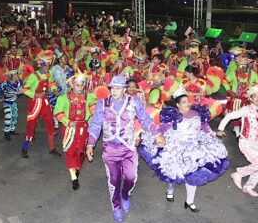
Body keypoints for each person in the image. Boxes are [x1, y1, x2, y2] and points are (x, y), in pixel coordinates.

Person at [86, 76, 166, 222]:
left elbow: (145, 119)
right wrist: (90, 144)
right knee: (114, 180)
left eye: (117, 88)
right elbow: (96, 124)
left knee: (131, 178)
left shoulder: (134, 102)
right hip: (110, 148)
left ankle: (124, 195)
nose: (114, 91)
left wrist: (157, 134)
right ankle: (116, 207)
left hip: (128, 147)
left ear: (124, 89)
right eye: (112, 88)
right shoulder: (102, 104)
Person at [140, 87, 229, 212]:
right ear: (177, 105)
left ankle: (190, 201)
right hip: (177, 147)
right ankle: (170, 190)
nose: (188, 104)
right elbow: (160, 129)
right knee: (172, 173)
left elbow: (205, 128)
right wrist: (157, 137)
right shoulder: (173, 117)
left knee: (193, 175)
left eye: (188, 101)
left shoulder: (196, 114)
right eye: (184, 102)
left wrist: (215, 134)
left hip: (194, 148)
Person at [217, 85, 258, 197]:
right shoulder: (246, 110)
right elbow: (230, 116)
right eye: (255, 95)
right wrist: (220, 128)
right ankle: (238, 174)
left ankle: (249, 187)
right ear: (250, 98)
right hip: (245, 142)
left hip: (255, 142)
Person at [54, 73, 95, 190]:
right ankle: (73, 178)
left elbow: (94, 111)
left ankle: (76, 168)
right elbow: (58, 112)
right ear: (72, 85)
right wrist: (67, 121)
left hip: (83, 128)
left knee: (81, 151)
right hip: (70, 129)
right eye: (77, 85)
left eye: (82, 85)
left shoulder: (89, 97)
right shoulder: (64, 98)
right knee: (70, 151)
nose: (80, 87)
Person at [21, 50, 60, 158]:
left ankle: (52, 148)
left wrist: (54, 89)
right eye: (46, 65)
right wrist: (35, 95)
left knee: (50, 122)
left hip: (45, 101)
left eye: (49, 65)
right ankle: (24, 147)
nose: (48, 67)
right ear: (41, 65)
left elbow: (51, 82)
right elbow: (24, 89)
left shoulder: (49, 73)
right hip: (35, 102)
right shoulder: (33, 76)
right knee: (31, 124)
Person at [0, 68, 23, 141]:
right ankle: (6, 132)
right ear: (12, 76)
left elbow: (20, 91)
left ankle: (12, 130)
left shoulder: (19, 83)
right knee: (8, 116)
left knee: (14, 116)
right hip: (7, 102)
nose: (18, 76)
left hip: (14, 102)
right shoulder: (5, 84)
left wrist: (18, 92)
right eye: (16, 75)